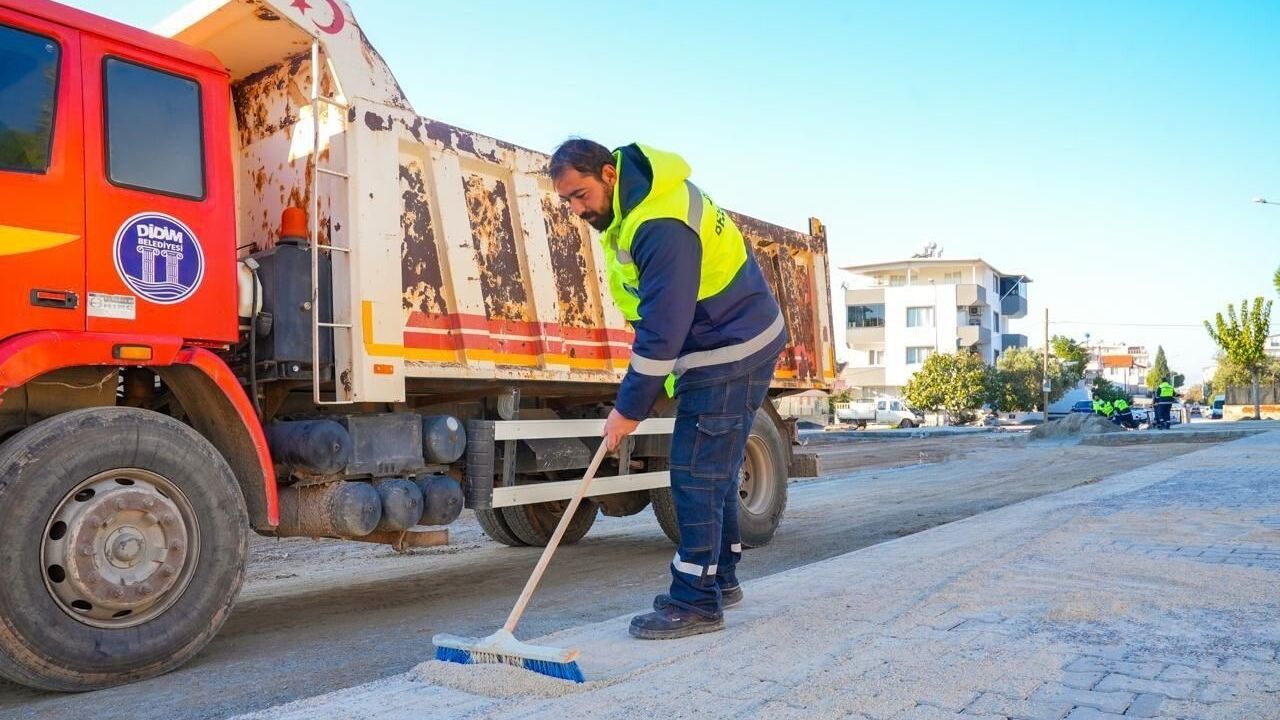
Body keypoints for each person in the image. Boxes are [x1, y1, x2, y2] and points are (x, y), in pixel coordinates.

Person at [551, 139, 787, 640]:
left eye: (580, 195)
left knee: (695, 472)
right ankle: (719, 580)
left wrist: (628, 409)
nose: (576, 210)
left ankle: (695, 602)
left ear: (609, 174)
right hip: (730, 338)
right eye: (567, 200)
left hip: (729, 346)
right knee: (714, 469)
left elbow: (663, 328)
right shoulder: (636, 205)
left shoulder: (657, 223)